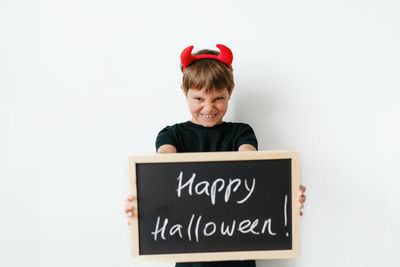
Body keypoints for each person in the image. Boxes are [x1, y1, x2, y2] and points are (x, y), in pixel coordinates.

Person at [124, 44, 307, 267]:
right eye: (199, 99)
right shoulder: (172, 136)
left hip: (238, 254)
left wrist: (284, 193)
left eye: (218, 98)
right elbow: (163, 168)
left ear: (230, 91)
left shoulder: (242, 134)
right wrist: (143, 202)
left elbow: (254, 169)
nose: (208, 108)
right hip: (191, 259)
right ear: (184, 92)